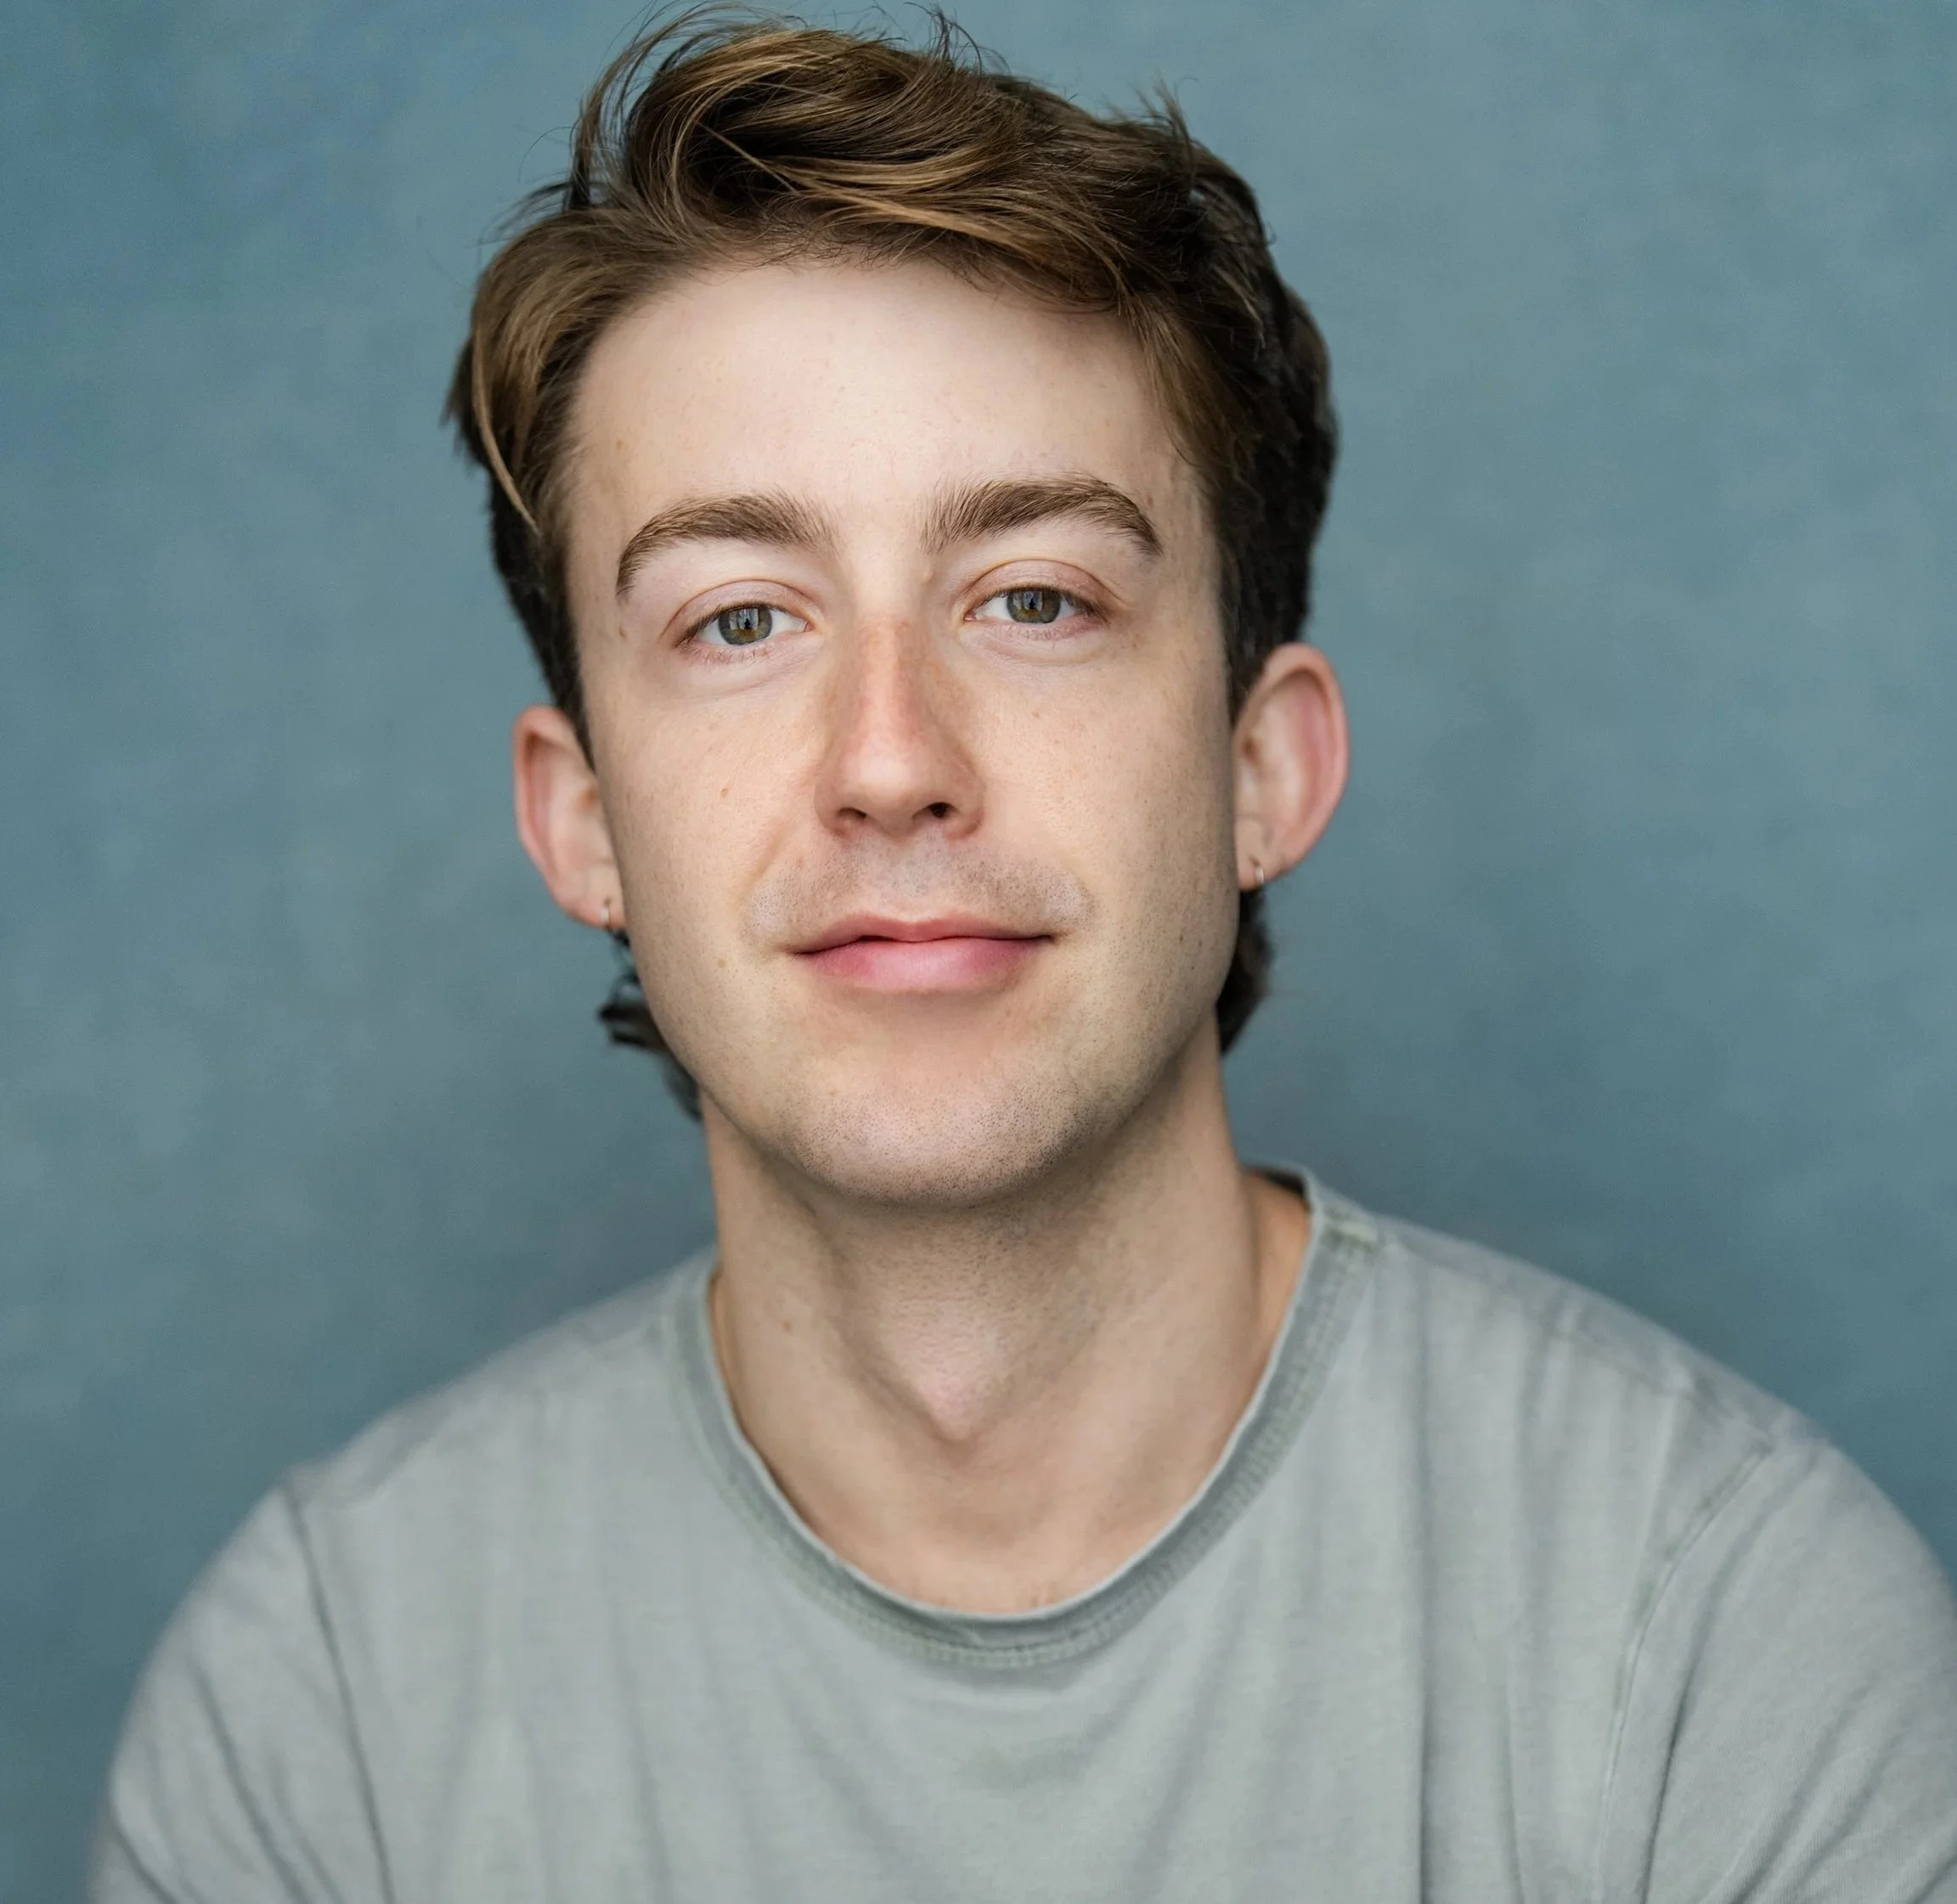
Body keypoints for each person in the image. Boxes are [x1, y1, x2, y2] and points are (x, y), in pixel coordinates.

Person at [92, 13, 1957, 1901]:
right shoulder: (327, 1701)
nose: (891, 758)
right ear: (582, 819)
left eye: (1038, 597)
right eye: (741, 618)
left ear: (1261, 767)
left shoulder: (1728, 1632)